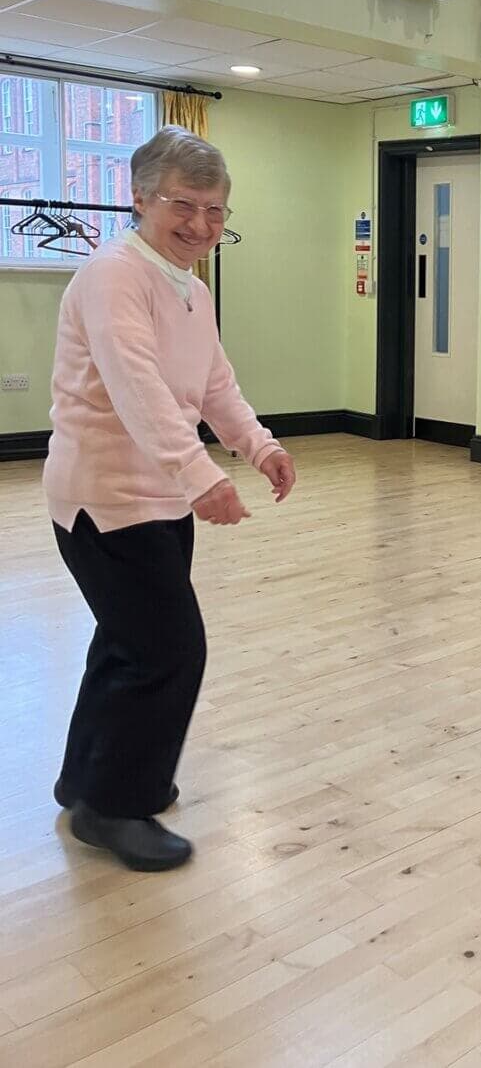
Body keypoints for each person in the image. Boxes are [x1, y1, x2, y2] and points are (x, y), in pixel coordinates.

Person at [44, 125, 297, 871]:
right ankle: (114, 808)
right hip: (106, 500)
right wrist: (202, 476)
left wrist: (259, 447)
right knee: (167, 650)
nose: (200, 225)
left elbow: (214, 383)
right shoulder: (114, 275)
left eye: (216, 211)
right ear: (140, 199)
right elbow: (139, 392)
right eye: (183, 206)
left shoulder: (187, 284)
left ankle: (84, 778)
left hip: (156, 502)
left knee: (127, 643)